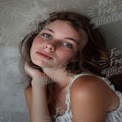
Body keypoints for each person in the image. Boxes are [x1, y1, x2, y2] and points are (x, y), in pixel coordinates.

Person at [19, 11, 122, 122]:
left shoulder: (86, 87)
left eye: (67, 44)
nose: (49, 45)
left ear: (77, 56)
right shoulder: (34, 88)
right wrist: (38, 82)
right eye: (47, 35)